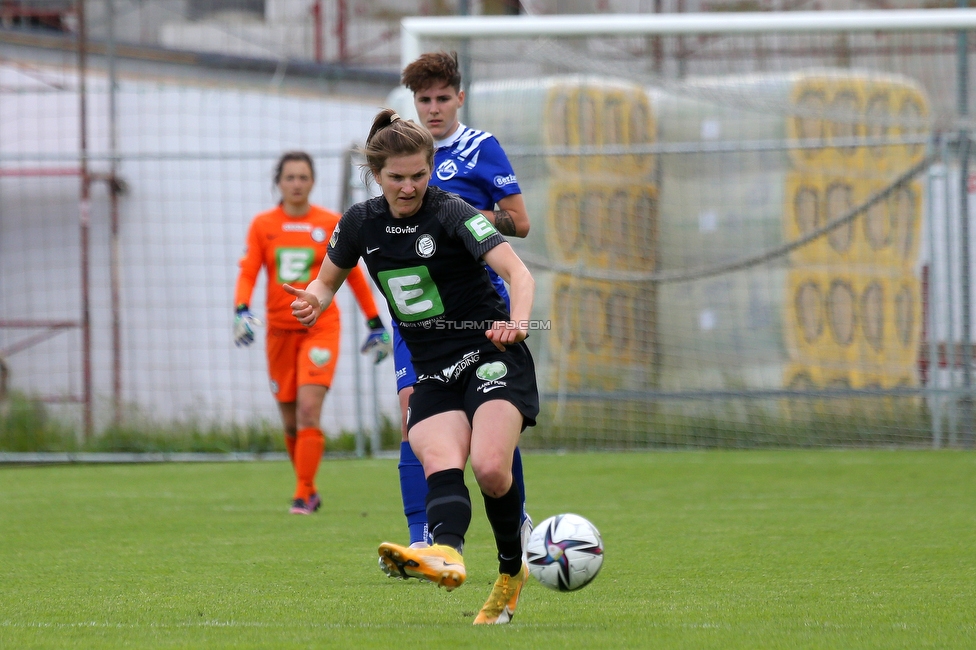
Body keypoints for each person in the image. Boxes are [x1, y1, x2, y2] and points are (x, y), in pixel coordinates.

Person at [285, 110, 539, 625]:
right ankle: (445, 554)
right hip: (431, 368)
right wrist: (313, 299)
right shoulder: (359, 222)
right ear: (376, 175)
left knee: (491, 468)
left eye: (419, 175)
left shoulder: (451, 212)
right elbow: (326, 281)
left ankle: (511, 573)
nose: (408, 186)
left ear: (431, 168)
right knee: (440, 463)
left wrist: (518, 322)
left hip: (490, 353)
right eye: (396, 177)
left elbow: (517, 270)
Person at [390, 50, 533, 558]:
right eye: (423, 99)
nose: (433, 109)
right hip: (415, 315)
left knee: (488, 422)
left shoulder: (479, 149)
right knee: (414, 418)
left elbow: (520, 220)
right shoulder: (404, 152)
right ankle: (420, 535)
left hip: (476, 313)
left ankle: (515, 518)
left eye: (442, 98)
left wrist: (461, 221)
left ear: (460, 98)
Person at [234, 150, 391, 515]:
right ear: (279, 182)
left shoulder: (330, 222)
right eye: (290, 177)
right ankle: (309, 486)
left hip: (320, 328)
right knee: (290, 420)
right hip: (278, 333)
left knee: (308, 410)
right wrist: (241, 309)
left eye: (303, 177)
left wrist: (374, 322)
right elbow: (248, 271)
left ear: (313, 182)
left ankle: (303, 493)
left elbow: (352, 273)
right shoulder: (263, 225)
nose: (297, 184)